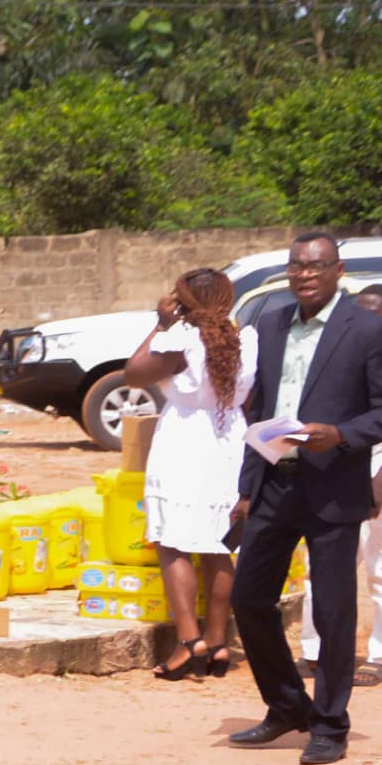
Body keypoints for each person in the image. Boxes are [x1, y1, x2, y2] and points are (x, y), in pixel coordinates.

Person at [227, 232, 382, 765]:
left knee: (333, 611)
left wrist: (340, 435)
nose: (304, 275)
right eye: (296, 266)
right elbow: (259, 411)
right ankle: (288, 705)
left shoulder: (367, 329)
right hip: (275, 482)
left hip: (333, 485)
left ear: (338, 271)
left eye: (316, 266)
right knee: (249, 598)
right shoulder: (271, 325)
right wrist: (246, 488)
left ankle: (330, 724)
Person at [120, 268, 257, 680]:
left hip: (184, 439)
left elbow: (133, 373)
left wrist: (161, 324)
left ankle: (188, 640)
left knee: (173, 542)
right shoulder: (245, 340)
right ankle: (217, 642)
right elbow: (249, 398)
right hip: (229, 437)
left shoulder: (178, 340)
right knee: (218, 544)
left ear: (183, 302)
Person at [299, 281, 382, 678]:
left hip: (377, 466)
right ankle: (315, 650)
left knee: (378, 568)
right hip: (338, 466)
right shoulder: (337, 357)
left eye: (375, 314)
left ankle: (378, 655)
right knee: (322, 565)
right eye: (360, 313)